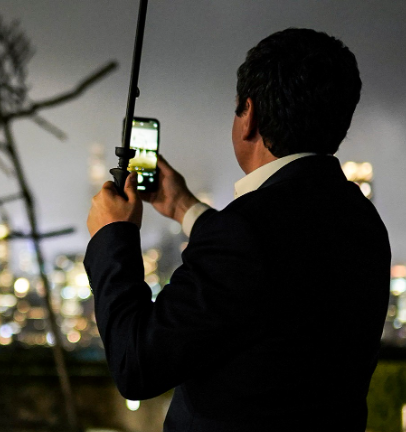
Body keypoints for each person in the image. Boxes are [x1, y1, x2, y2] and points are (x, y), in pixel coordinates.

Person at [84, 28, 390, 431]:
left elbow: (136, 364)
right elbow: (272, 264)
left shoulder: (246, 230)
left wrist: (112, 237)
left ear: (250, 116)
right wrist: (183, 208)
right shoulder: (362, 221)